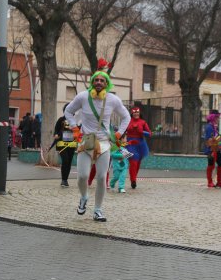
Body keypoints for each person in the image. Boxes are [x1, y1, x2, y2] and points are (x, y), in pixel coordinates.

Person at [65, 70, 130, 222]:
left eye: (102, 80)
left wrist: (119, 133)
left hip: (104, 143)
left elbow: (126, 116)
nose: (99, 82)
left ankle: (98, 210)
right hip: (86, 141)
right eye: (96, 80)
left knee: (101, 178)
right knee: (82, 176)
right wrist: (74, 127)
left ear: (107, 84)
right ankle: (83, 197)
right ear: (92, 82)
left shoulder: (113, 99)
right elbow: (68, 111)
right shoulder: (82, 97)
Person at [124, 107, 151, 189]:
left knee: (138, 163)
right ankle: (133, 180)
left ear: (139, 113)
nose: (136, 114)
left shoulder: (143, 122)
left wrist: (142, 131)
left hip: (140, 144)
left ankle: (134, 179)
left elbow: (149, 134)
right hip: (130, 144)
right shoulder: (128, 121)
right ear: (132, 113)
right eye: (134, 112)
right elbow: (122, 130)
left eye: (137, 112)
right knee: (133, 162)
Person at [54, 104, 77, 187]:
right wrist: (56, 134)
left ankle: (66, 180)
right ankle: (63, 180)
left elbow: (79, 131)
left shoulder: (76, 120)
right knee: (65, 160)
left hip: (71, 144)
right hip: (62, 144)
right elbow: (56, 130)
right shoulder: (61, 119)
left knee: (69, 162)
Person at [204, 109, 221, 188]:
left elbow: (217, 138)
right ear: (213, 118)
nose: (218, 119)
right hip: (211, 150)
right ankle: (210, 182)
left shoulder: (215, 127)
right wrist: (212, 149)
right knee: (211, 165)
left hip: (216, 149)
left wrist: (220, 144)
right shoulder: (209, 127)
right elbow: (209, 139)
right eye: (217, 117)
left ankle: (219, 182)